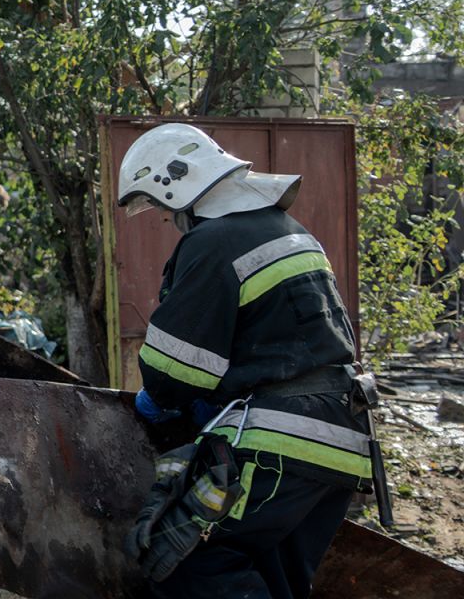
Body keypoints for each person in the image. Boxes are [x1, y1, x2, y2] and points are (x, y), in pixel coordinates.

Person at [116, 124, 378, 599]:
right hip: (341, 440)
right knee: (277, 578)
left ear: (181, 185)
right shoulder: (292, 232)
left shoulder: (214, 241)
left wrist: (162, 399)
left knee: (183, 561)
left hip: (282, 444)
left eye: (165, 208)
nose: (167, 220)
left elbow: (172, 371)